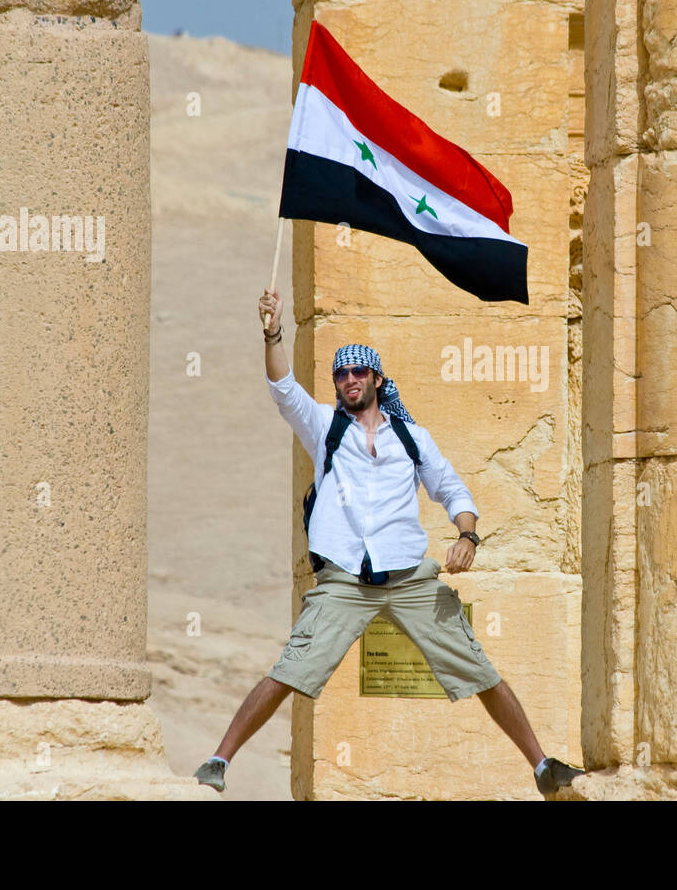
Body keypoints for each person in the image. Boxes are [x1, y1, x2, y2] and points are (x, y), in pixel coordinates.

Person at [191, 286, 584, 797]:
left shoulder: (410, 437)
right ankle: (219, 760)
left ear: (376, 378)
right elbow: (283, 389)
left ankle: (541, 767)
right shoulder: (326, 428)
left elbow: (452, 489)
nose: (349, 380)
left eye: (358, 372)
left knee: (480, 669)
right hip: (345, 578)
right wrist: (272, 330)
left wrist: (468, 535)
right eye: (341, 374)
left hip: (408, 575)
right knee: (291, 668)